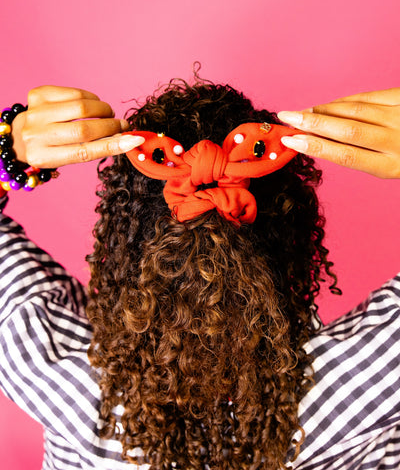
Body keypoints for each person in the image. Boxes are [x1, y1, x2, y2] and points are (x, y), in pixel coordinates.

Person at [0, 80, 399, 470]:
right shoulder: (378, 371)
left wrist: (9, 153)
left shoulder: (44, 362)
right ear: (295, 235)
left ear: (122, 241)